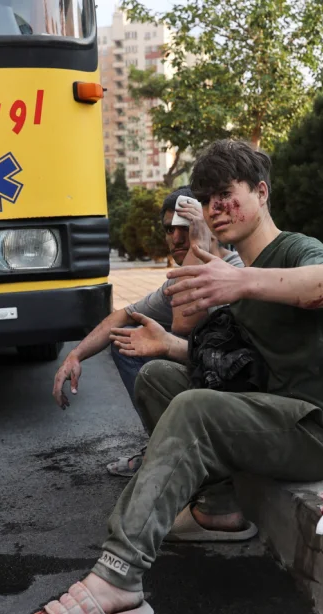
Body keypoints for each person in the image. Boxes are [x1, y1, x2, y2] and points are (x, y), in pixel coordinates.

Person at [18, 139, 323, 614]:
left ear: (261, 192)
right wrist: (172, 345)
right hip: (268, 413)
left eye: (227, 194)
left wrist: (241, 283)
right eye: (207, 199)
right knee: (158, 379)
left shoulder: (290, 251)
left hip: (316, 429)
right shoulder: (223, 270)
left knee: (194, 407)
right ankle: (218, 510)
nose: (216, 209)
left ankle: (118, 578)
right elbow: (237, 371)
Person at [50, 186, 242, 476]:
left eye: (185, 227)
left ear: (204, 226)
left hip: (241, 391)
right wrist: (74, 355)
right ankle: (161, 447)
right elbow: (122, 316)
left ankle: (178, 457)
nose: (176, 238)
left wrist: (199, 249)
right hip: (208, 373)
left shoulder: (232, 269)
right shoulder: (177, 279)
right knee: (127, 338)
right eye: (169, 230)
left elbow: (183, 323)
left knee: (156, 363)